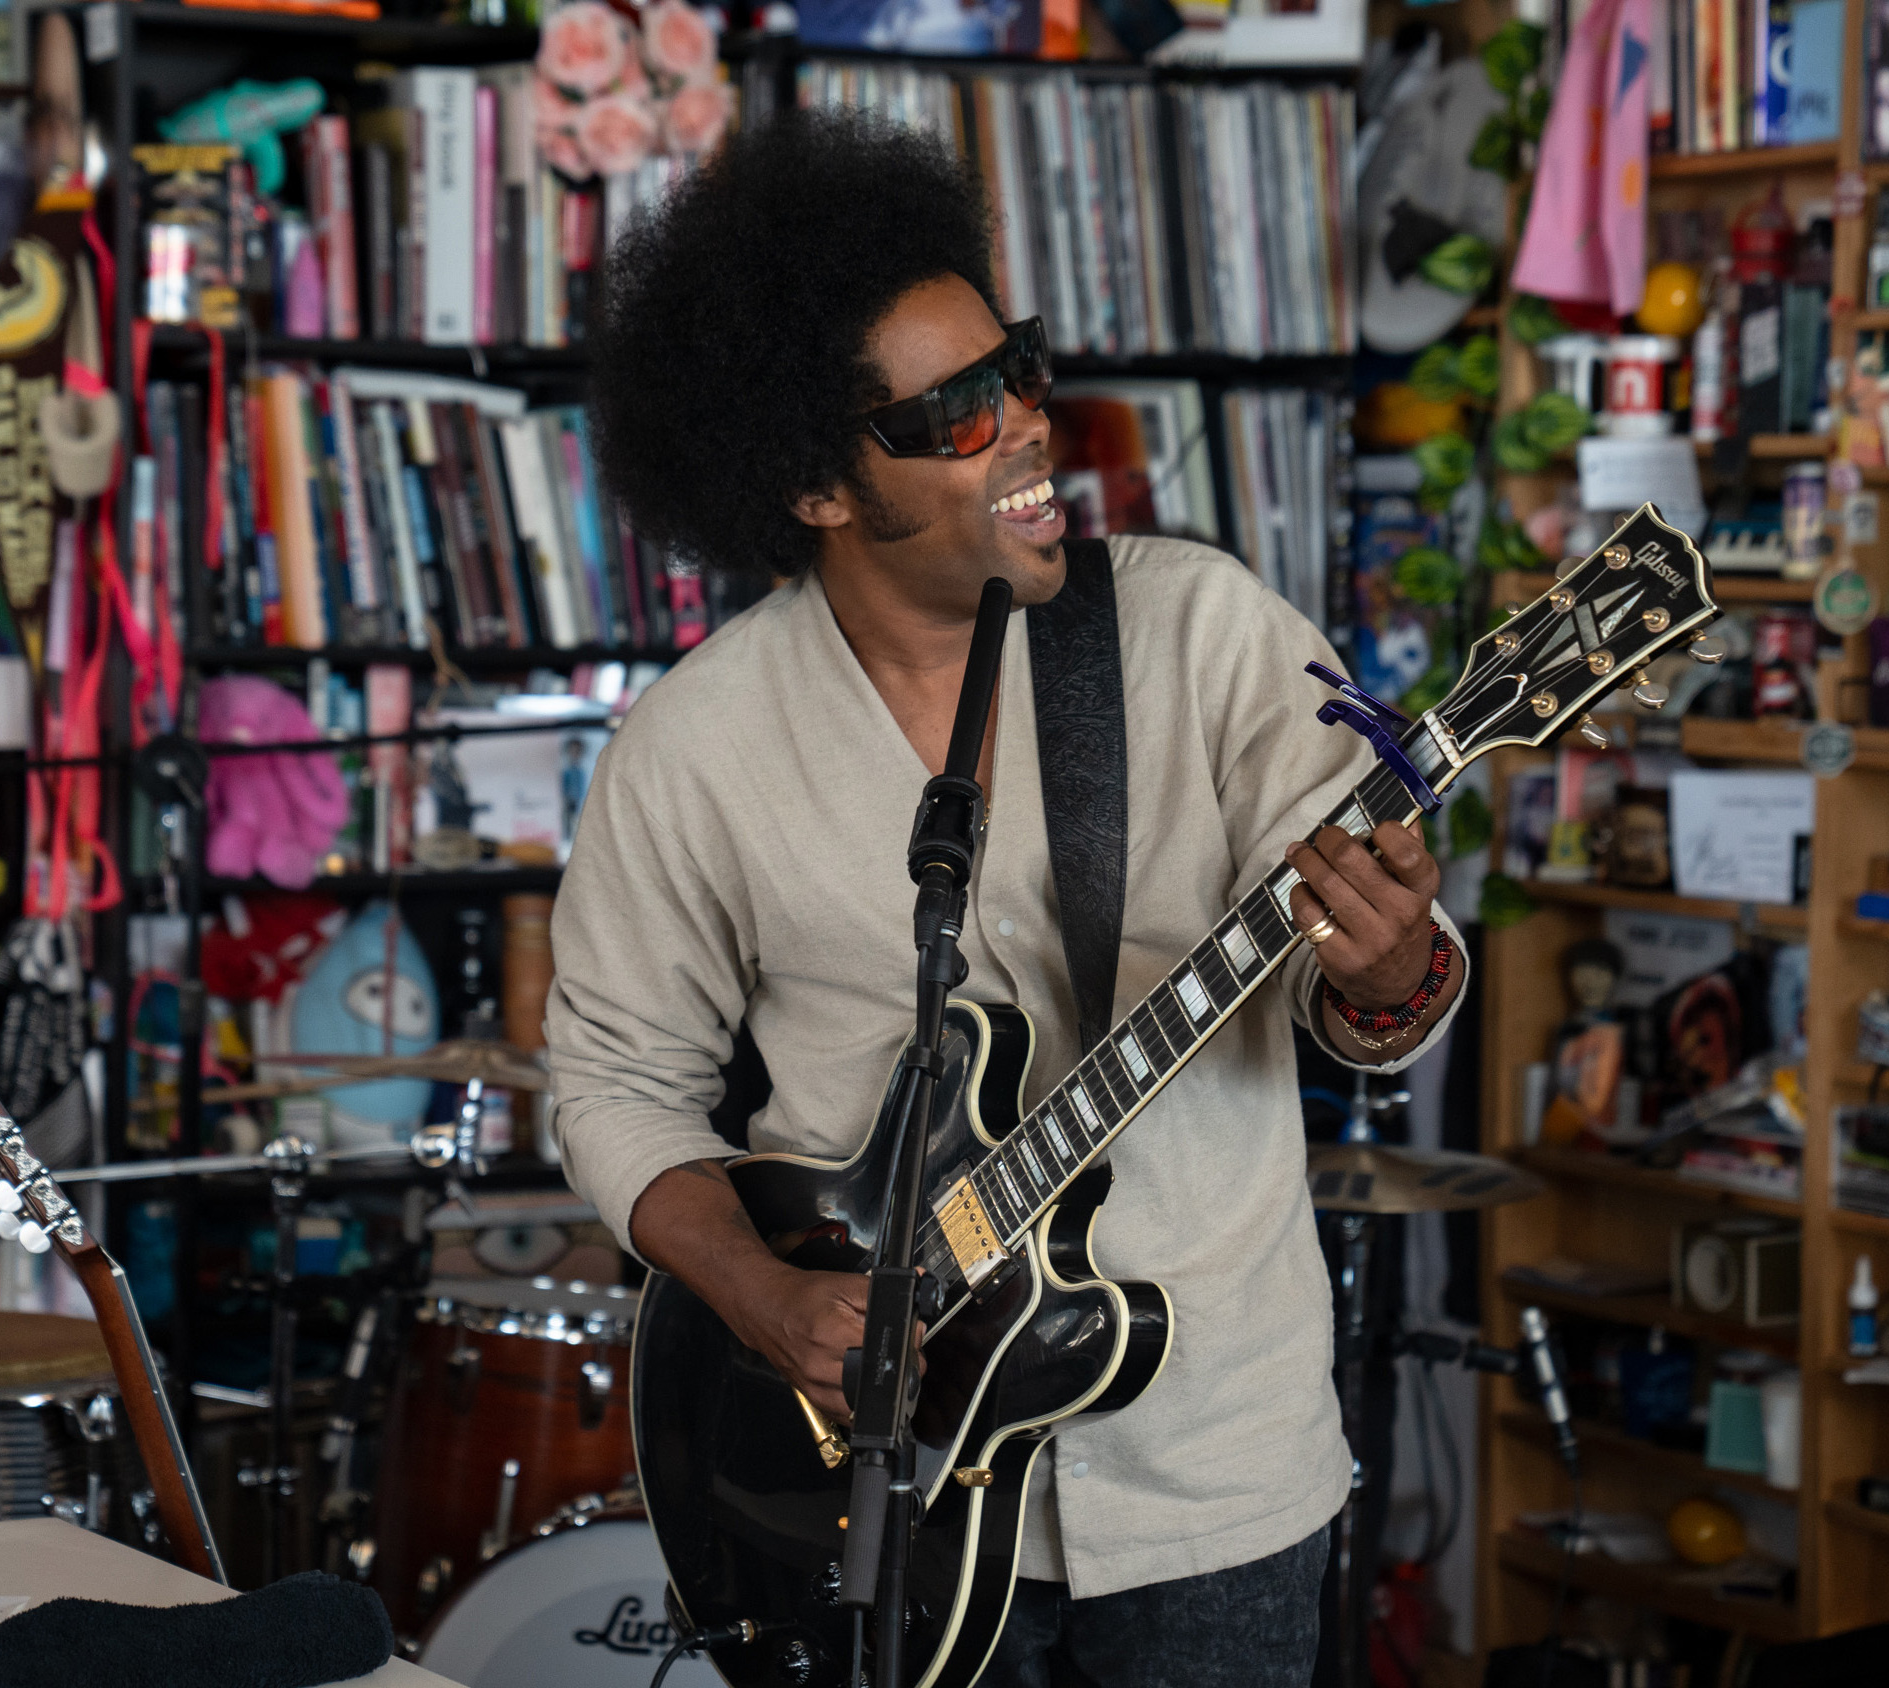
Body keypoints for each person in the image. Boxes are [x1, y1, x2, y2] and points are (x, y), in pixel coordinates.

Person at [545, 111, 1468, 1688]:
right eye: (959, 413)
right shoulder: (697, 745)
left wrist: (1386, 967)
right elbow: (615, 1083)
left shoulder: (1200, 632)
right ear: (814, 486)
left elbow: (1368, 992)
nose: (1029, 425)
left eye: (1020, 369)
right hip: (879, 1495)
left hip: (1213, 1476)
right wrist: (764, 1294)